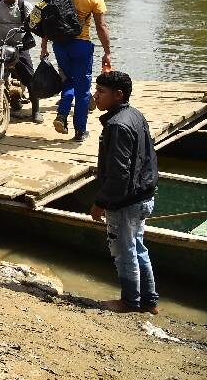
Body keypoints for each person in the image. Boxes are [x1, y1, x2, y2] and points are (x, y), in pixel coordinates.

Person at [90, 71, 159, 315]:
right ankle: (149, 302)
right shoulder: (135, 115)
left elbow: (118, 174)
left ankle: (130, 302)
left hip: (126, 200)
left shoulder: (118, 125)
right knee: (138, 247)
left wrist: (100, 202)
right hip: (143, 194)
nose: (95, 96)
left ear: (118, 95)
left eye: (101, 92)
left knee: (124, 251)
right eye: (96, 90)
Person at [42, 0, 111, 142]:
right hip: (81, 45)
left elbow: (47, 21)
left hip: (59, 45)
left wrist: (43, 47)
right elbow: (101, 26)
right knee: (83, 89)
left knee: (68, 81)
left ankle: (62, 114)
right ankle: (80, 131)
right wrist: (107, 51)